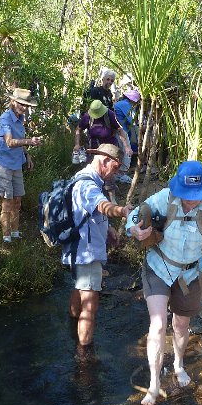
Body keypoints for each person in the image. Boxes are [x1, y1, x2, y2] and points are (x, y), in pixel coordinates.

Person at [125, 161, 202, 405]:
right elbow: (134, 215)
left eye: (196, 197)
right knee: (158, 324)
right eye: (187, 196)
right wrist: (134, 229)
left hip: (189, 274)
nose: (191, 201)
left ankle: (178, 364)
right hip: (158, 267)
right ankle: (153, 386)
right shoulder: (164, 198)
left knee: (182, 325)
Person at [65, 143, 133, 350]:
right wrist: (122, 211)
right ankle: (84, 359)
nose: (115, 173)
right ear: (105, 161)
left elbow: (91, 213)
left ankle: (71, 326)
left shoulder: (85, 177)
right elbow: (102, 206)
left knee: (80, 287)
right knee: (90, 306)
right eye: (115, 168)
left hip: (77, 247)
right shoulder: (88, 185)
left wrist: (108, 229)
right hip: (87, 252)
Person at [0, 88, 42, 246]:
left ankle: (15, 233)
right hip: (3, 165)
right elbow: (9, 142)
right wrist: (29, 141)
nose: (23, 107)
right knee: (7, 202)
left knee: (17, 200)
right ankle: (6, 239)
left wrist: (27, 155)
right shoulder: (4, 119)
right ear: (13, 101)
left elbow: (19, 141)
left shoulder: (20, 120)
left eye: (26, 105)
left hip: (16, 164)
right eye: (21, 104)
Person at [113, 88, 140, 173]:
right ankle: (122, 172)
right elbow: (132, 121)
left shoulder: (120, 103)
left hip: (117, 129)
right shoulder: (126, 105)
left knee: (121, 151)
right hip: (122, 130)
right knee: (127, 151)